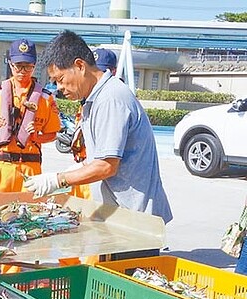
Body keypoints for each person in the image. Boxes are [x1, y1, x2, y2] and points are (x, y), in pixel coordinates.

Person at [24, 31, 172, 257]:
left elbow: (106, 166)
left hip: (135, 222)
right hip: (118, 217)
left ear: (80, 65)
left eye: (61, 80)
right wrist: (78, 168)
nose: (59, 89)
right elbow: (100, 158)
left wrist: (58, 179)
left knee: (129, 286)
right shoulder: (94, 99)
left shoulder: (111, 98)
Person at [0, 38, 61, 277]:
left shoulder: (45, 98)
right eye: (18, 66)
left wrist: (37, 136)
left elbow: (52, 132)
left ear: (34, 67)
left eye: (28, 67)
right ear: (10, 64)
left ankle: (13, 279)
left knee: (24, 226)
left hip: (29, 171)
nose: (23, 72)